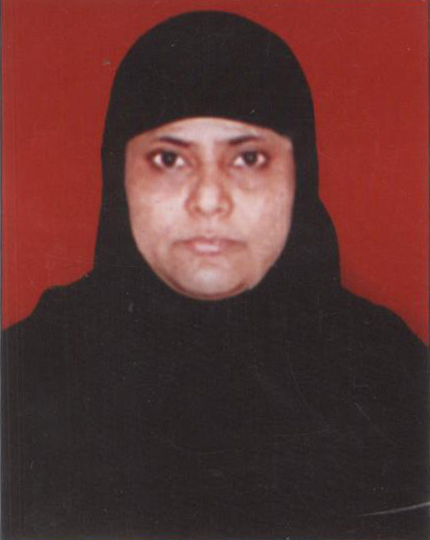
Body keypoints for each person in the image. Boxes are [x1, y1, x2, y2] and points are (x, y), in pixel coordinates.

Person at [2, 10, 428, 540]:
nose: (207, 200)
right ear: (119, 177)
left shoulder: (395, 384)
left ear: (300, 175)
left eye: (248, 158)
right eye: (168, 159)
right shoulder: (24, 380)